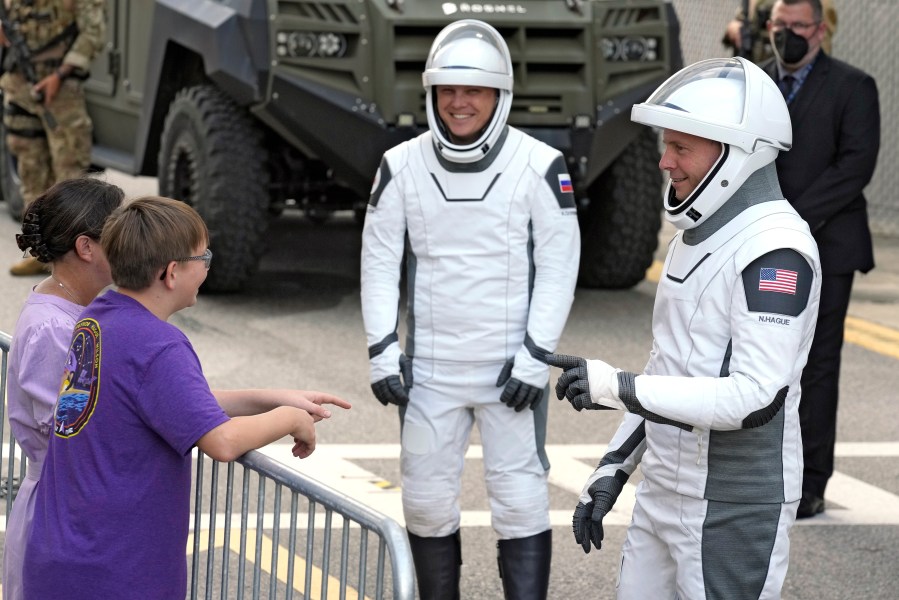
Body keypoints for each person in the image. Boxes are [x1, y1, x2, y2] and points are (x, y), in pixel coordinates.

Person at [546, 56, 821, 598]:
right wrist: (614, 467)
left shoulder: (777, 251)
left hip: (734, 505)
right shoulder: (692, 239)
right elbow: (670, 373)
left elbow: (753, 398)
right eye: (666, 145)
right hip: (665, 491)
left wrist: (615, 386)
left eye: (681, 147)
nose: (665, 162)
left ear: (736, 155)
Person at [21, 196, 350, 598]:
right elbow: (222, 442)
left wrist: (271, 397)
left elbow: (164, 401)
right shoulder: (160, 345)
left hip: (62, 556)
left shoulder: (98, 318)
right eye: (203, 257)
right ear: (172, 272)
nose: (207, 266)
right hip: (117, 571)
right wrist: (289, 418)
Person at [360, 19, 580, 600]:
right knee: (426, 504)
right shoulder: (399, 165)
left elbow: (560, 269)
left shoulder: (541, 165)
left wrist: (536, 359)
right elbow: (379, 263)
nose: (459, 103)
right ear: (431, 93)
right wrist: (382, 352)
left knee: (520, 500)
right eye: (448, 90)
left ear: (499, 95)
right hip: (429, 373)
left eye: (473, 90)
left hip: (512, 374)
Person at [761, 0, 881, 519]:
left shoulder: (853, 86)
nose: (788, 35)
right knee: (766, 359)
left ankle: (811, 480)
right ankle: (766, 472)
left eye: (798, 26)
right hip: (767, 246)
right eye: (778, 25)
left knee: (817, 363)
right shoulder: (757, 83)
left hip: (828, 247)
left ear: (820, 30)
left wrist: (790, 218)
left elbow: (855, 165)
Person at [2, 177, 124, 600]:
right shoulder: (54, 328)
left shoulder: (75, 311)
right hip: (63, 514)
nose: (132, 248)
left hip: (74, 507)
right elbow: (74, 431)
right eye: (120, 237)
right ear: (87, 247)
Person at [1, 0, 106, 276]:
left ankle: (77, 261)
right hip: (20, 88)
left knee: (71, 177)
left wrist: (60, 75)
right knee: (31, 173)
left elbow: (93, 33)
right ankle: (40, 253)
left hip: (62, 95)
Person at [722, 0, 836, 63]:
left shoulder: (818, 4)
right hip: (757, 65)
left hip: (797, 74)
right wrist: (734, 28)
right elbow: (742, 20)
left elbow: (821, 44)